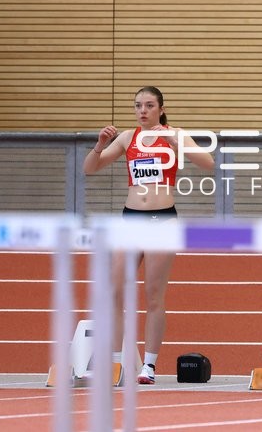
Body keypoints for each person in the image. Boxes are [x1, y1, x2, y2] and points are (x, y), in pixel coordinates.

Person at [83, 86, 214, 385]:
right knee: (115, 291)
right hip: (130, 219)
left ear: (161, 108)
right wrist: (100, 145)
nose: (142, 111)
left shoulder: (175, 134)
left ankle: (149, 366)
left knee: (153, 295)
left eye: (149, 105)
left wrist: (176, 143)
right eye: (138, 105)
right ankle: (116, 362)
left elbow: (208, 164)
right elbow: (90, 169)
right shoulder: (128, 138)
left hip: (162, 220)